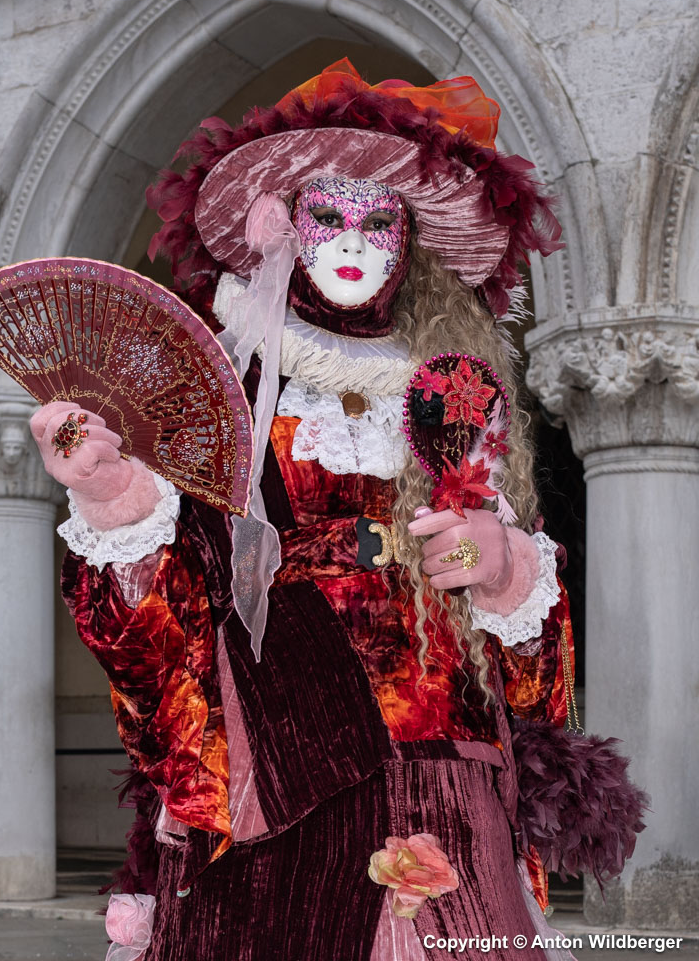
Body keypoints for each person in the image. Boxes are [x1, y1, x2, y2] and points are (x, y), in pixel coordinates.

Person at [31, 60, 574, 960]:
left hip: (442, 747)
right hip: (275, 750)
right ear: (284, 223)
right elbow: (161, 621)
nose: (352, 239)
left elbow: (531, 654)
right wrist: (119, 500)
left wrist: (503, 562)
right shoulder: (227, 393)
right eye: (329, 215)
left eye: (377, 220)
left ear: (411, 242)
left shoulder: (458, 393)